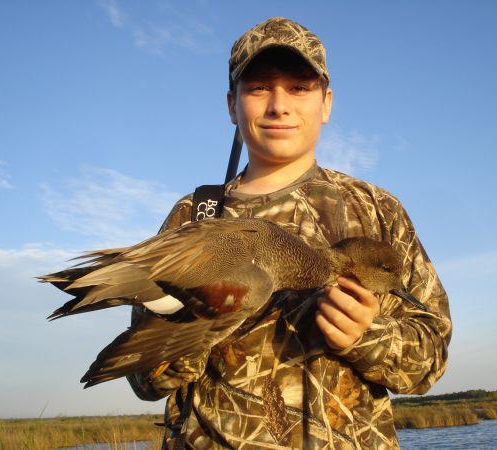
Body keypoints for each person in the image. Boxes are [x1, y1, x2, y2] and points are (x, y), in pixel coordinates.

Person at [128, 17, 451, 450]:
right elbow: (143, 378)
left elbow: (430, 360)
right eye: (259, 87)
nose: (279, 105)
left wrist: (367, 336)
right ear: (232, 105)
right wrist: (199, 322)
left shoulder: (378, 209)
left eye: (299, 87)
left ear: (326, 103)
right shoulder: (195, 215)